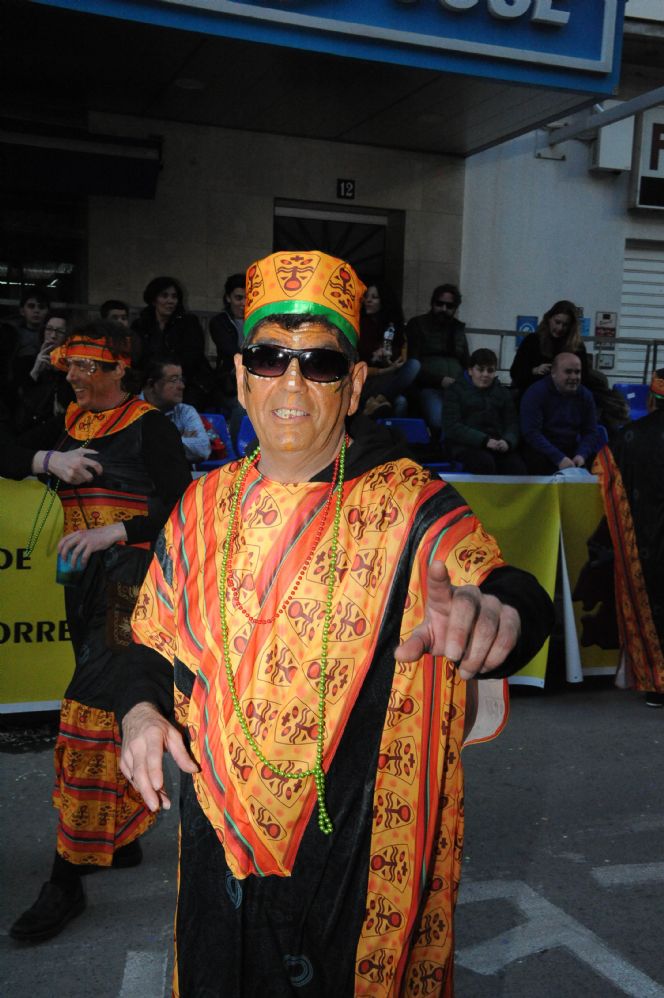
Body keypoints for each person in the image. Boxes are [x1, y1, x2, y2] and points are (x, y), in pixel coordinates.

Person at [118, 251, 553, 996]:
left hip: (351, 855)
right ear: (241, 375)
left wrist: (501, 612)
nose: (291, 381)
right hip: (215, 834)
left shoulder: (409, 502)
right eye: (270, 357)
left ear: (353, 386)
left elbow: (506, 587)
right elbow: (149, 646)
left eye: (319, 363)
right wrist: (137, 714)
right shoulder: (200, 507)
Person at [5, 321, 191, 943]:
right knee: (111, 710)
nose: (76, 378)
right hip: (83, 587)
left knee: (85, 717)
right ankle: (116, 832)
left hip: (130, 588)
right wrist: (43, 458)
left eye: (89, 367)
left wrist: (119, 531)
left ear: (120, 371)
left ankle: (66, 879)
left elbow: (183, 509)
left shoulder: (151, 426)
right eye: (70, 366)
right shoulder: (71, 424)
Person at [594, 369, 664, 708]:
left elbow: (603, 469)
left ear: (651, 399)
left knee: (651, 607)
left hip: (646, 540)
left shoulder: (632, 435)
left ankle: (656, 684)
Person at [132, 276, 214, 409]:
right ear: (154, 299)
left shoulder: (189, 323)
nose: (170, 301)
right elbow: (139, 357)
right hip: (152, 379)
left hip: (186, 380)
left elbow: (193, 357)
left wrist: (171, 378)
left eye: (174, 297)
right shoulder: (140, 324)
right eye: (164, 296)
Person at [442, 348, 526, 474]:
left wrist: (508, 442)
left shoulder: (503, 393)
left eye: (490, 370)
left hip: (497, 444)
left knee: (517, 467)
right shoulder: (454, 391)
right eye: (480, 369)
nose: (485, 374)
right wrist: (484, 441)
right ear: (470, 370)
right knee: (484, 464)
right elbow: (452, 427)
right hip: (464, 446)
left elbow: (512, 423)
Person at [406, 283, 470, 435]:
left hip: (457, 388)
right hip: (429, 387)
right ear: (432, 303)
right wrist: (439, 380)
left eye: (449, 306)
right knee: (438, 421)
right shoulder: (418, 324)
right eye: (439, 304)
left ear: (455, 308)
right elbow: (411, 365)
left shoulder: (458, 329)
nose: (444, 309)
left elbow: (467, 362)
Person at [358, 281, 420, 417]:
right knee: (400, 401)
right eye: (367, 296)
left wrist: (390, 359)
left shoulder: (394, 326)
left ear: (384, 301)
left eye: (374, 297)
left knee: (414, 365)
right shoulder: (361, 324)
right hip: (369, 378)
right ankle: (376, 406)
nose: (368, 300)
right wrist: (379, 366)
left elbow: (401, 358)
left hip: (391, 378)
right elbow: (357, 365)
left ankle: (377, 401)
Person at [510, 299, 589, 399]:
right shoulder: (532, 341)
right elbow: (516, 373)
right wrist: (535, 371)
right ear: (549, 319)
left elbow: (584, 378)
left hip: (565, 399)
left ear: (571, 327)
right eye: (557, 322)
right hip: (534, 395)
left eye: (565, 325)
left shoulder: (577, 347)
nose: (560, 328)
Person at [142, 356, 211, 464]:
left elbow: (203, 449)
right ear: (152, 385)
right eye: (174, 380)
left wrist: (154, 442)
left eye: (181, 379)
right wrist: (179, 438)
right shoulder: (131, 410)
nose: (182, 386)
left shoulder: (186, 411)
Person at [14, 310, 74, 431]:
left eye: (59, 331)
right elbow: (18, 400)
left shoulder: (72, 367)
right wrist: (35, 371)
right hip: (31, 427)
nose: (53, 335)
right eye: (49, 329)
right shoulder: (26, 361)